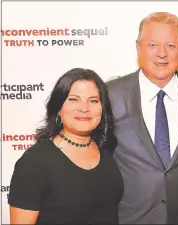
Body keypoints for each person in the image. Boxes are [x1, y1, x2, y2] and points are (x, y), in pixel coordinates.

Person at [106, 12, 178, 224]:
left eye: (171, 46)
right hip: (127, 217)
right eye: (153, 45)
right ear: (138, 47)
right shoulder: (110, 94)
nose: (162, 54)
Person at [8, 68, 123, 224]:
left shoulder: (107, 148)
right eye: (74, 99)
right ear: (58, 108)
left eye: (93, 100)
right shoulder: (35, 162)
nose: (84, 108)